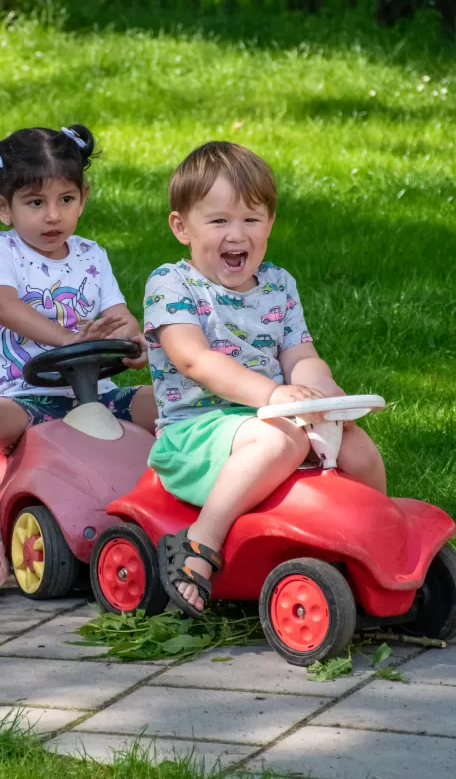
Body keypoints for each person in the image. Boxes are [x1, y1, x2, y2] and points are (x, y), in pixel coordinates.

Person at [143, 141, 385, 617]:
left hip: (270, 417)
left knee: (355, 445)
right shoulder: (171, 285)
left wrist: (322, 393)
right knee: (282, 441)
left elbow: (300, 355)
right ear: (182, 227)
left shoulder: (278, 285)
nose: (237, 234)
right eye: (218, 221)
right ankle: (199, 543)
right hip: (194, 433)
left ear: (270, 223)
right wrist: (273, 394)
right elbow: (195, 361)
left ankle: (371, 540)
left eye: (251, 219)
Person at [0, 124, 157, 597]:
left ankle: (181, 506)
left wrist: (134, 342)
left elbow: (119, 315)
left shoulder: (91, 256)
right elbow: (6, 306)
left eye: (66, 199)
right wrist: (67, 340)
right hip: (25, 399)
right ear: (3, 207)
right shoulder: (0, 251)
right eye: (35, 202)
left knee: (164, 400)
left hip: (97, 394)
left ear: (83, 197)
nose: (53, 215)